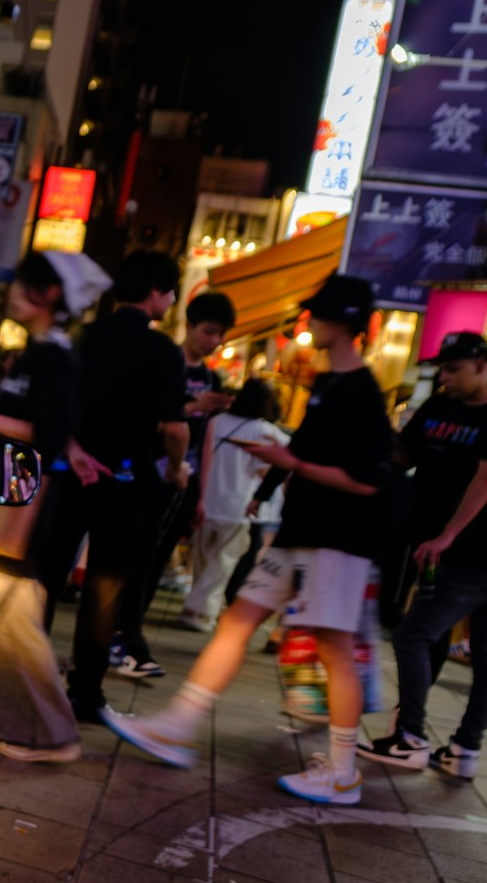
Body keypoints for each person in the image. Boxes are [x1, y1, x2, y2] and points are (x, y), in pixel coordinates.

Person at [105, 275, 394, 805]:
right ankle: (179, 723)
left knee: (333, 650)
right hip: (299, 535)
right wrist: (280, 475)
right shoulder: (331, 385)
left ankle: (345, 770)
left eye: (320, 314)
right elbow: (310, 458)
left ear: (344, 323)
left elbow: (368, 481)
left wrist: (290, 463)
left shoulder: (361, 393)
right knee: (237, 620)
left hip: (338, 542)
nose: (311, 322)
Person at [361, 333, 487, 779]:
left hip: (470, 553)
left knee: (412, 636)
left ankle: (410, 737)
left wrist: (447, 536)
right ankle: (464, 750)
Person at [0, 251, 110, 762]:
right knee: (19, 626)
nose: (13, 295)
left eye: (22, 288)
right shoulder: (42, 353)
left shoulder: (53, 358)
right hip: (5, 504)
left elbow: (47, 432)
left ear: (47, 297)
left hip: (14, 510)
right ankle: (48, 735)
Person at [35, 250, 188, 717]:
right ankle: (84, 692)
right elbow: (175, 427)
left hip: (68, 475)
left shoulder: (83, 337)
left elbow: (52, 407)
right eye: (171, 291)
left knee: (46, 578)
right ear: (158, 292)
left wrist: (75, 451)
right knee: (104, 588)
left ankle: (29, 674)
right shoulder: (164, 351)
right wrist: (176, 467)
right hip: (125, 482)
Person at [144, 292, 236, 618]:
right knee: (142, 553)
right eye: (209, 331)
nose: (215, 340)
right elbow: (145, 419)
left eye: (220, 334)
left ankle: (131, 625)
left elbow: (206, 439)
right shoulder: (167, 365)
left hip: (188, 479)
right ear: (190, 325)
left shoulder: (211, 377)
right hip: (154, 471)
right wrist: (194, 407)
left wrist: (202, 495)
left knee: (163, 553)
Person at [181, 379, 287, 628]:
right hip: (237, 506)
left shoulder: (216, 422)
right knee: (221, 564)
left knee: (203, 561)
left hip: (207, 502)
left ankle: (196, 609)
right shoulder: (265, 431)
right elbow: (283, 459)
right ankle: (201, 613)